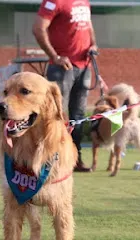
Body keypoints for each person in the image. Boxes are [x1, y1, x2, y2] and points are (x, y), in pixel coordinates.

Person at [32, 0, 108, 172]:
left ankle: (74, 160)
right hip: (61, 69)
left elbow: (88, 25)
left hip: (84, 67)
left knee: (78, 116)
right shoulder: (53, 2)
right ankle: (49, 160)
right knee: (56, 115)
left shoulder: (84, 2)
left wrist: (93, 44)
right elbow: (38, 28)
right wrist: (55, 56)